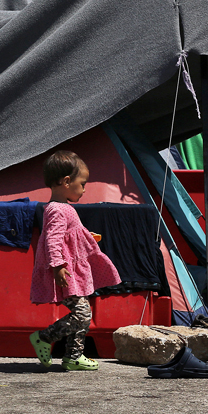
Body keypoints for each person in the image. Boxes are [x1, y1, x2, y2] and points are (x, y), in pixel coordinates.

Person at [29, 150, 121, 371]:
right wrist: (58, 266)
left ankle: (73, 356)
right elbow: (53, 239)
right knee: (82, 312)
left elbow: (69, 235)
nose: (84, 188)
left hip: (70, 268)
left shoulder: (64, 208)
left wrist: (86, 236)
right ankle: (44, 337)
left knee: (83, 311)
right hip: (65, 270)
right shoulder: (56, 210)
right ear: (67, 181)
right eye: (83, 183)